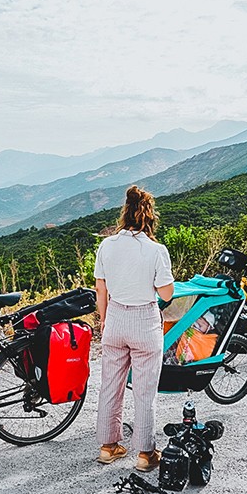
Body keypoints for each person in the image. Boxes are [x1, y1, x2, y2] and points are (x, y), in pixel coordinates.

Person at [94, 185, 175, 472]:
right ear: (150, 217)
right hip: (144, 321)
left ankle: (108, 447)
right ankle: (145, 454)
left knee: (110, 387)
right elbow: (166, 294)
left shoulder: (107, 245)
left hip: (114, 317)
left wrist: (104, 322)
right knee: (144, 391)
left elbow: (100, 290)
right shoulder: (156, 250)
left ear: (124, 213)